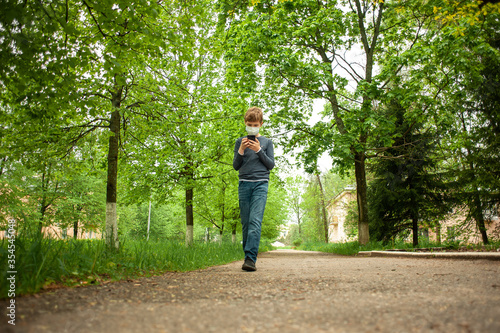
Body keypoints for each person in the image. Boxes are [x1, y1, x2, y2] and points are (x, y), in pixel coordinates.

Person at [233, 106, 275, 271]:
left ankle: (250, 259)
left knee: (255, 221)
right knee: (245, 223)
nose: (252, 126)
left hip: (260, 184)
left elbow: (270, 165)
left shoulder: (266, 142)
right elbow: (236, 166)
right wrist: (242, 150)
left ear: (261, 124)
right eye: (249, 124)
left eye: (255, 124)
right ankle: (247, 256)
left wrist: (258, 150)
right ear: (245, 123)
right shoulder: (239, 142)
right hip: (244, 184)